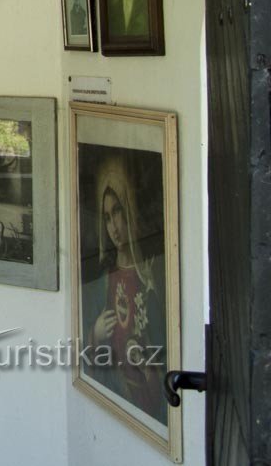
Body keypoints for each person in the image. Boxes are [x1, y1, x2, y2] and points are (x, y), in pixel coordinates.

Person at [85, 158, 166, 421]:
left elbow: (165, 345)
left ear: (129, 210)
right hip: (113, 401)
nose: (113, 226)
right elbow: (87, 357)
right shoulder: (103, 280)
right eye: (107, 217)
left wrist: (147, 366)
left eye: (118, 211)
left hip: (147, 407)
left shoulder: (151, 276)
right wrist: (95, 334)